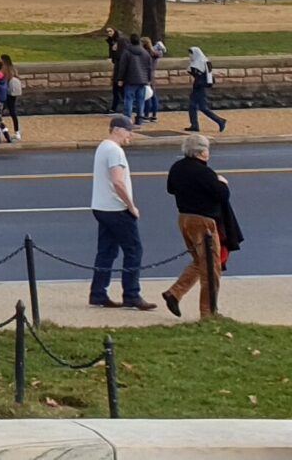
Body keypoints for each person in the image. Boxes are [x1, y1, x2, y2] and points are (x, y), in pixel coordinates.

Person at [162, 133, 237, 319]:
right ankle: (208, 312)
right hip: (204, 222)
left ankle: (175, 293)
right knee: (212, 267)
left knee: (199, 261)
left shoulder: (177, 167)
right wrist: (223, 183)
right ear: (201, 152)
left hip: (184, 218)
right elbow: (222, 195)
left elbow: (170, 189)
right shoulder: (205, 172)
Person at [88, 114, 156, 310]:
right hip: (116, 208)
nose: (131, 136)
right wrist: (131, 205)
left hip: (101, 207)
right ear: (117, 130)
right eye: (129, 131)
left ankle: (98, 292)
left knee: (106, 251)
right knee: (134, 250)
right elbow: (118, 181)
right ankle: (131, 294)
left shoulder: (103, 147)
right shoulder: (115, 151)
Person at [185, 46, 227, 133]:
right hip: (198, 86)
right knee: (192, 106)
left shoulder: (199, 62)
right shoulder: (203, 61)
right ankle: (194, 125)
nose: (190, 55)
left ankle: (220, 121)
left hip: (201, 87)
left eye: (191, 53)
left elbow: (196, 73)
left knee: (203, 107)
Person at [118, 33, 154, 125]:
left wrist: (120, 79)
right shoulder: (145, 53)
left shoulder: (127, 52)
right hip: (142, 80)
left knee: (129, 99)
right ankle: (139, 119)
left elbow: (123, 66)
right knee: (140, 100)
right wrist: (149, 79)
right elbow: (149, 67)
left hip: (130, 79)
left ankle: (127, 119)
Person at [0, 54, 23, 142]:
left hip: (6, 93)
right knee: (12, 112)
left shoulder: (5, 70)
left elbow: (2, 81)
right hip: (12, 94)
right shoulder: (13, 69)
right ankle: (17, 132)